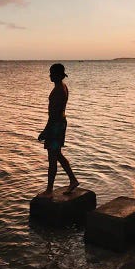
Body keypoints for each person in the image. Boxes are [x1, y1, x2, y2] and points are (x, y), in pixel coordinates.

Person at [38, 63, 79, 197]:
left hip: (56, 126)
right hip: (60, 124)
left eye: (52, 73)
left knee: (52, 158)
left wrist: (45, 131)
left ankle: (49, 190)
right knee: (57, 155)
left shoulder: (59, 90)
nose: (50, 75)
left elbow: (54, 115)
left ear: (58, 74)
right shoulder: (63, 87)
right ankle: (73, 180)